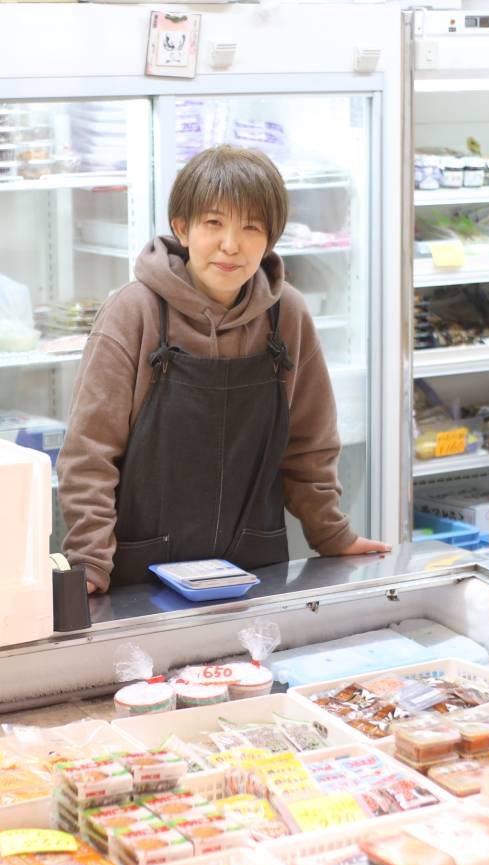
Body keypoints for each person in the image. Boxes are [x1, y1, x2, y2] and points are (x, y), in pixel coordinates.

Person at [57, 144, 388, 594]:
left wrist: (332, 534)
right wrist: (90, 561)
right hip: (138, 574)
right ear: (183, 228)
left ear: (270, 239)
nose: (231, 245)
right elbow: (90, 454)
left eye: (251, 227)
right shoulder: (134, 312)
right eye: (214, 223)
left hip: (253, 574)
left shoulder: (286, 314)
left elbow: (310, 448)